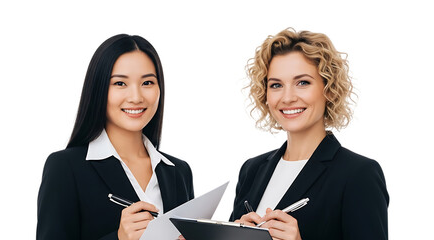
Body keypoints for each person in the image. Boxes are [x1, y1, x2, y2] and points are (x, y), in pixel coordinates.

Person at [230, 28, 389, 240]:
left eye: (302, 82)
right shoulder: (252, 170)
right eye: (276, 85)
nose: (287, 98)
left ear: (329, 88)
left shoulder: (359, 174)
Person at [37, 34, 194, 240]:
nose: (136, 97)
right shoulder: (65, 167)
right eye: (120, 84)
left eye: (147, 82)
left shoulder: (179, 172)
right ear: (99, 89)